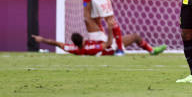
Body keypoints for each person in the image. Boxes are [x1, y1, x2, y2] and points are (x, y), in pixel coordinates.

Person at [31, 28, 166, 56]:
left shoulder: (72, 48)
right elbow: (106, 45)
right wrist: (111, 30)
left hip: (107, 46)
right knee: (136, 36)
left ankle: (152, 50)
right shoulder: (90, 48)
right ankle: (152, 51)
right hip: (111, 49)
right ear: (83, 40)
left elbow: (56, 43)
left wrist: (42, 39)